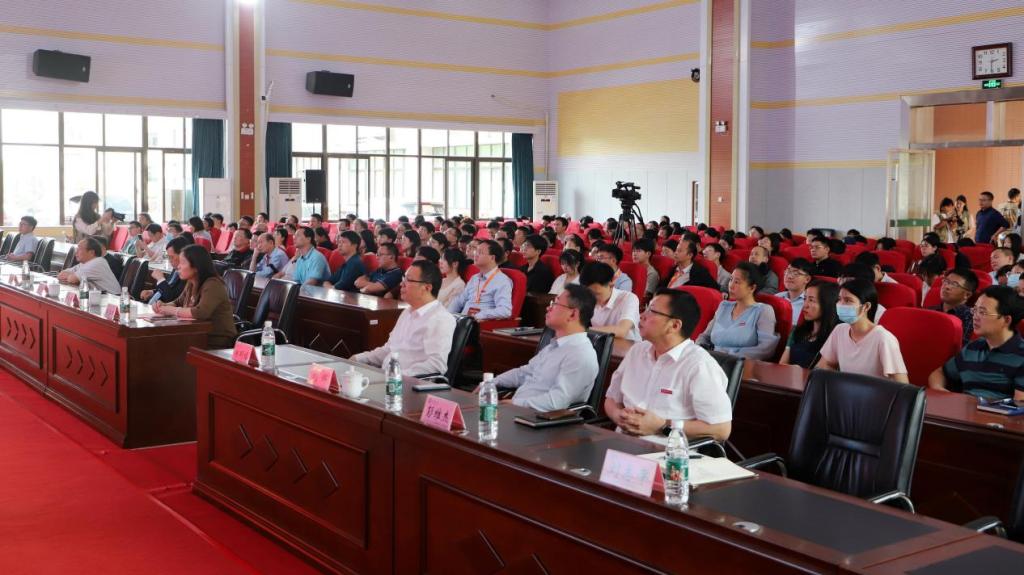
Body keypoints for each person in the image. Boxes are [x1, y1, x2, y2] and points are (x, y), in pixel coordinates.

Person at [604, 289, 732, 444]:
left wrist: (663, 426)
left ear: (675, 325)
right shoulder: (637, 351)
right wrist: (618, 415)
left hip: (667, 452)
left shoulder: (699, 365)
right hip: (622, 444)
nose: (642, 315)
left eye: (651, 311)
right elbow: (611, 399)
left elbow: (721, 429)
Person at [487, 284, 600, 412]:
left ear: (573, 314)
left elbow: (557, 402)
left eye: (555, 304)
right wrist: (492, 383)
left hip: (539, 419)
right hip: (520, 412)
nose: (548, 308)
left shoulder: (581, 354)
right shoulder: (555, 346)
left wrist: (515, 403)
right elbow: (524, 373)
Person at [351, 261, 455, 377]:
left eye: (408, 280)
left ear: (427, 288)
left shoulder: (440, 319)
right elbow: (389, 349)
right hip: (388, 377)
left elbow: (436, 365)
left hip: (407, 383)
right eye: (403, 278)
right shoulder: (407, 312)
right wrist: (359, 358)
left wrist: (397, 376)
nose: (401, 284)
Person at [928, 286, 1024, 401]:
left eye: (982, 312)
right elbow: (940, 373)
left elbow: (1020, 405)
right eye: (975, 310)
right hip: (963, 408)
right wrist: (941, 392)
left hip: (995, 412)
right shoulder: (973, 347)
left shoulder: (1021, 355)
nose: (975, 317)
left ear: (1006, 320)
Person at [817, 279, 909, 382]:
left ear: (866, 306)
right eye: (839, 299)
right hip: (845, 391)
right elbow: (824, 365)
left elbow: (902, 384)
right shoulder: (840, 330)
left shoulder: (883, 338)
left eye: (848, 300)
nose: (840, 304)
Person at [153, 245, 237, 348]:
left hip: (217, 341)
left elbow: (200, 313)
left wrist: (171, 310)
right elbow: (178, 302)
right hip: (195, 335)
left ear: (196, 266)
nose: (178, 266)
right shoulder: (191, 282)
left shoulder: (213, 284)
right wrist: (163, 305)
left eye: (182, 262)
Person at [696, 262, 779, 360]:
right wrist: (698, 350)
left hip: (740, 364)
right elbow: (705, 337)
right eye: (731, 280)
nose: (731, 286)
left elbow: (766, 348)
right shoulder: (723, 306)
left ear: (752, 288)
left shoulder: (763, 311)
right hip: (711, 361)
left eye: (737, 282)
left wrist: (730, 357)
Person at [447, 239, 512, 321]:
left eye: (480, 252)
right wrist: (447, 315)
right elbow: (459, 301)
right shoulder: (475, 278)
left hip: (480, 324)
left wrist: (480, 315)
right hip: (463, 321)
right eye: (476, 251)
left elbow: (505, 310)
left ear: (492, 258)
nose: (475, 255)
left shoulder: (502, 280)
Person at [780, 281, 840, 368]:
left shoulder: (835, 337)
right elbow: (782, 364)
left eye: (811, 300)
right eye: (805, 299)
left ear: (827, 304)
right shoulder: (798, 331)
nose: (805, 305)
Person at [580, 262, 640, 342]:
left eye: (597, 294)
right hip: (600, 343)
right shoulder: (586, 298)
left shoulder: (628, 298)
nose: (591, 298)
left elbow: (622, 330)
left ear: (611, 285)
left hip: (627, 346)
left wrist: (583, 330)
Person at [926, 269, 977, 347]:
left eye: (955, 284)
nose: (947, 287)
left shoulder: (971, 318)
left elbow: (959, 348)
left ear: (967, 295)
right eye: (946, 281)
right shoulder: (929, 311)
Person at [57, 237, 121, 294]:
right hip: (100, 296)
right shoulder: (84, 263)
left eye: (79, 249)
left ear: (91, 252)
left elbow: (72, 279)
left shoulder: (97, 263)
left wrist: (73, 277)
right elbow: (61, 274)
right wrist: (73, 276)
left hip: (113, 298)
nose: (76, 252)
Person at [141, 236, 192, 303]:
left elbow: (171, 299)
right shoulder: (175, 269)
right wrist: (152, 292)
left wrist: (161, 279)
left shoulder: (188, 274)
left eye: (172, 257)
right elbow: (169, 288)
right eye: (168, 257)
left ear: (183, 255)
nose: (170, 260)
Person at [776, 258, 814, 325]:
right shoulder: (777, 297)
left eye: (796, 273)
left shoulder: (808, 304)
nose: (789, 276)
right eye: (788, 271)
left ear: (807, 279)